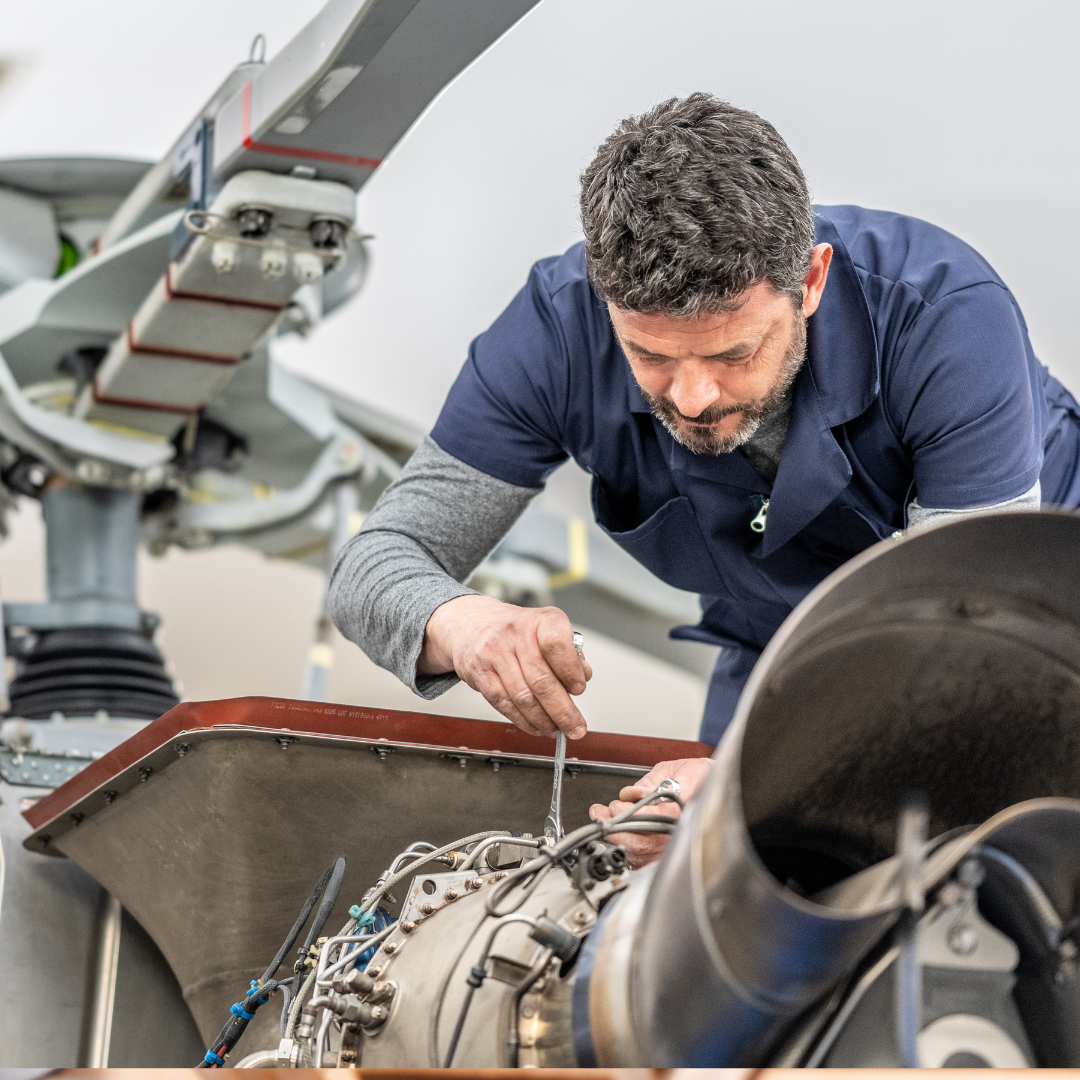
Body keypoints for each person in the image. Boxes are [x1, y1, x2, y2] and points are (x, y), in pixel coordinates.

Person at [329, 94, 1080, 859]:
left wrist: (737, 788)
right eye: (650, 355)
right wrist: (461, 624)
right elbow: (373, 563)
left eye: (733, 355)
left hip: (1031, 640)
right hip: (782, 647)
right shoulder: (553, 334)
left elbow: (966, 660)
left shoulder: (946, 320)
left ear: (812, 281)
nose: (692, 399)